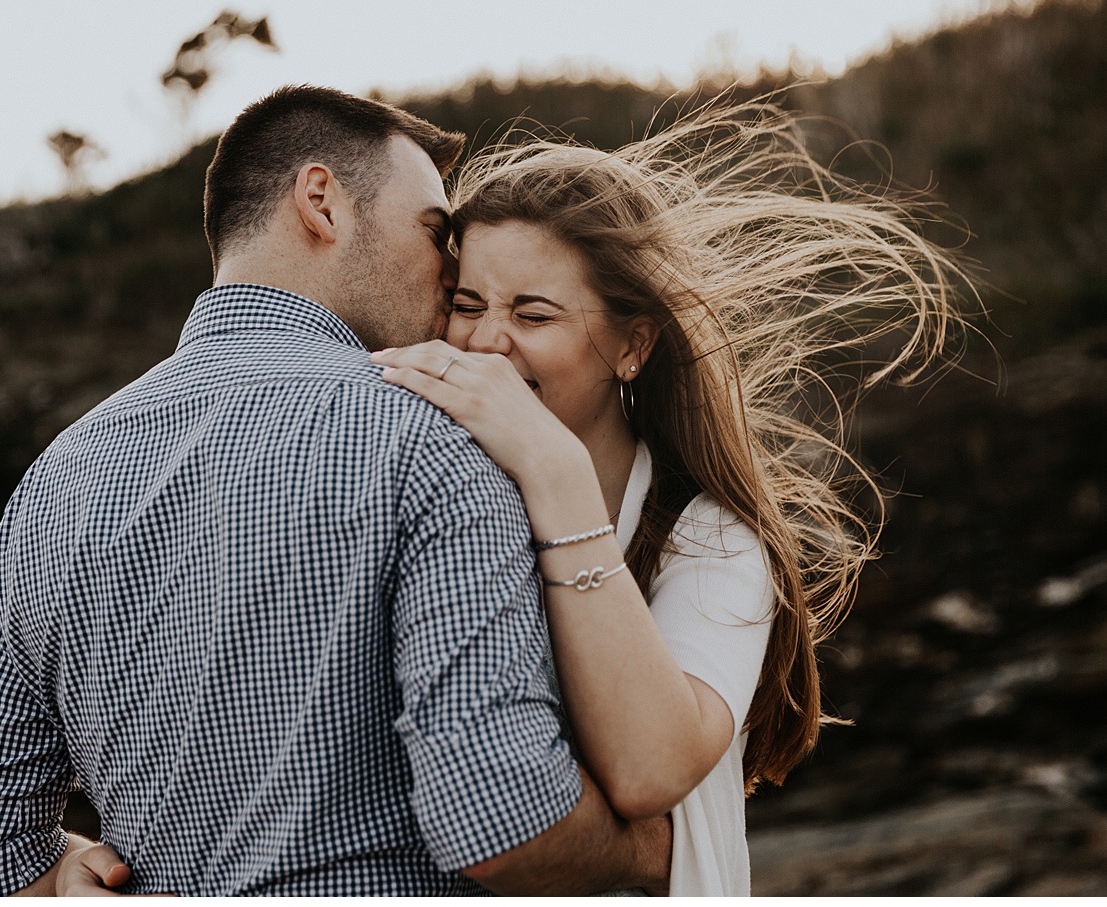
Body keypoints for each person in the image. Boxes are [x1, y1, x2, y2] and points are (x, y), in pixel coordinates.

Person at [0, 85, 671, 896]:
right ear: (322, 202)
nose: (451, 268)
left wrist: (64, 861)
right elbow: (499, 819)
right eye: (432, 231)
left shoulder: (56, 478)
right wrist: (655, 851)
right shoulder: (437, 441)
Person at [368, 102, 971, 895]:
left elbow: (651, 766)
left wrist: (556, 471)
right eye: (468, 305)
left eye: (533, 313)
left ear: (633, 344)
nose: (484, 343)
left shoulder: (714, 538)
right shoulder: (437, 495)